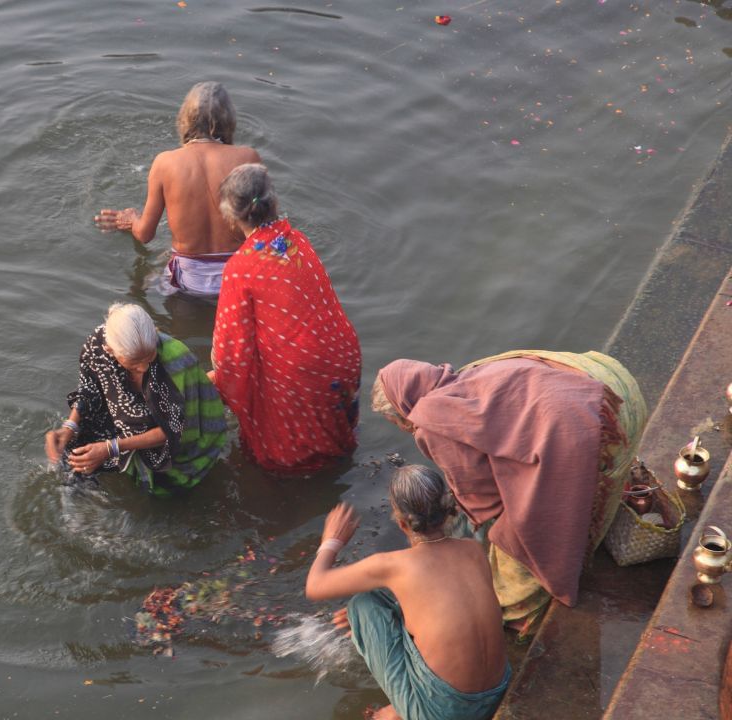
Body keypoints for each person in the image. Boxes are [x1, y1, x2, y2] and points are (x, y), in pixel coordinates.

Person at [372, 350, 646, 634]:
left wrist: (484, 527)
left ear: (403, 407)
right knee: (590, 485)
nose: (405, 427)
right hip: (611, 389)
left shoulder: (431, 423)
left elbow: (484, 499)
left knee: (525, 532)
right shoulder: (470, 373)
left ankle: (525, 609)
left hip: (590, 428)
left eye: (398, 422)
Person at [305, 465, 510, 720]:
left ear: (401, 523)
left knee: (363, 604)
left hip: (446, 713)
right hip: (499, 689)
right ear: (447, 513)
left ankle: (397, 712)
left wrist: (331, 541)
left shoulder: (392, 566)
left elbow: (315, 585)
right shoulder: (473, 550)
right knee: (393, 602)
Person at [208, 163, 361, 473]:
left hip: (303, 371)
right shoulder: (298, 241)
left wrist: (219, 385)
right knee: (335, 442)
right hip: (342, 357)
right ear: (273, 203)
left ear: (231, 217)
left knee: (288, 460)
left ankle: (298, 489)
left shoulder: (241, 267)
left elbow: (232, 350)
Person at [94, 82, 261, 297]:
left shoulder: (165, 162)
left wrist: (132, 219)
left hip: (188, 283)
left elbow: (145, 234)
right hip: (237, 282)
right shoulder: (248, 157)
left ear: (185, 120)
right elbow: (263, 230)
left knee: (152, 286)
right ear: (229, 120)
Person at [44, 303, 228, 496]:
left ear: (155, 333)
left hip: (170, 438)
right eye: (133, 363)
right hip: (127, 419)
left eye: (150, 358)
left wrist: (111, 448)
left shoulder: (176, 363)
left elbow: (172, 430)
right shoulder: (99, 346)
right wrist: (70, 426)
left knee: (166, 492)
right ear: (111, 351)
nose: (143, 368)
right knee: (72, 460)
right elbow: (90, 389)